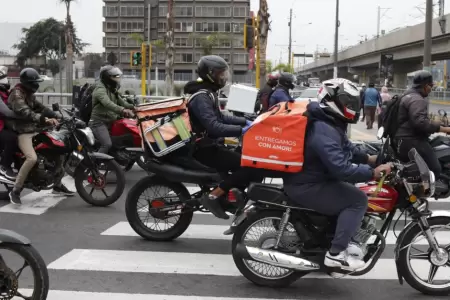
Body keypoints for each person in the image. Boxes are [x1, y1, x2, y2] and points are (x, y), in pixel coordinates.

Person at [283, 78, 393, 271]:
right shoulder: (323, 129)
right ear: (332, 100)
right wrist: (372, 173)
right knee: (357, 199)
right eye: (347, 102)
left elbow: (347, 149)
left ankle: (340, 238)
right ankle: (336, 254)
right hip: (307, 184)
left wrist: (370, 158)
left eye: (353, 103)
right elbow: (341, 168)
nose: (352, 107)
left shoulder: (330, 123)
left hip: (314, 179)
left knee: (352, 190)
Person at [185, 55, 283, 220]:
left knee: (246, 158)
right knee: (248, 165)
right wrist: (242, 130)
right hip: (203, 148)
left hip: (210, 144)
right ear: (209, 74)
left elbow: (222, 118)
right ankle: (214, 196)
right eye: (219, 73)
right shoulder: (201, 97)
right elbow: (214, 126)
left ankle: (231, 195)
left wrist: (249, 121)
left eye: (224, 73)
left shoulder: (208, 93)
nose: (223, 77)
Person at [7, 68, 75, 205]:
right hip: (22, 130)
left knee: (57, 151)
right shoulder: (17, 94)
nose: (37, 85)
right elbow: (25, 112)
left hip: (33, 128)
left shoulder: (29, 94)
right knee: (32, 158)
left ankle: (56, 184)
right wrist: (44, 120)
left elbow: (41, 107)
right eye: (34, 82)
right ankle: (15, 190)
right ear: (27, 83)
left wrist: (57, 115)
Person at [394, 70, 450, 179]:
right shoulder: (417, 99)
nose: (431, 89)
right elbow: (421, 122)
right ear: (425, 86)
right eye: (431, 86)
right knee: (435, 169)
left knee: (437, 141)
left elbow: (417, 119)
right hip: (411, 140)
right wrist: (444, 129)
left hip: (402, 139)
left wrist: (441, 124)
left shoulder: (407, 95)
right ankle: (421, 191)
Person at [89, 65, 135, 154]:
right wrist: (122, 110)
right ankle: (95, 164)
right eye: (115, 77)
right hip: (98, 122)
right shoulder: (100, 89)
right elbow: (107, 103)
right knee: (107, 144)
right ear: (107, 77)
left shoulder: (111, 88)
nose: (117, 79)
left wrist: (134, 107)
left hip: (110, 121)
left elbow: (122, 102)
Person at [0, 66, 19, 180]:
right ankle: (5, 166)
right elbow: (7, 112)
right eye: (3, 78)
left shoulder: (5, 93)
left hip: (4, 125)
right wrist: (22, 115)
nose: (6, 81)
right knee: (13, 138)